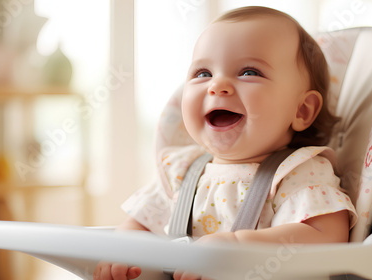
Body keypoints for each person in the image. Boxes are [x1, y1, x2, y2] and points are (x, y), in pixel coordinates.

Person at [94, 6, 357, 280]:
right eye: (203, 73)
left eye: (249, 72)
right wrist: (122, 251)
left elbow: (327, 236)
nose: (217, 85)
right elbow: (140, 225)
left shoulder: (298, 172)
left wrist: (238, 246)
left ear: (301, 110)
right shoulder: (179, 172)